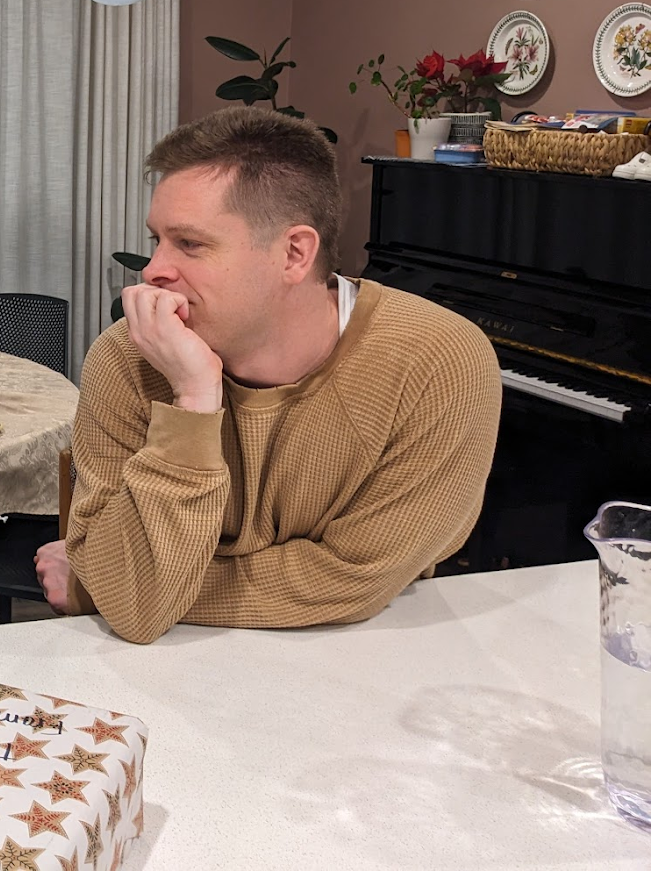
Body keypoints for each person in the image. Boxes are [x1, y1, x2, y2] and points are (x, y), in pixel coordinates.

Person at [35, 108, 501, 643]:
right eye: (157, 239)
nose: (153, 270)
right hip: (164, 663)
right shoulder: (128, 357)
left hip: (369, 650)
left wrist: (109, 586)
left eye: (190, 243)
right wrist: (193, 399)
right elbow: (138, 609)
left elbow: (352, 579)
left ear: (294, 254)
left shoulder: (439, 360)